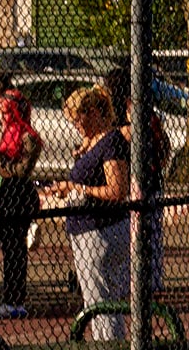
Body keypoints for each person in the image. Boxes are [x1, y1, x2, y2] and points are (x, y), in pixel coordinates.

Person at [57, 86, 134, 314]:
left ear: (92, 112)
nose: (75, 126)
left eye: (77, 120)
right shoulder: (90, 143)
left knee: (101, 304)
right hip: (84, 230)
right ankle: (107, 346)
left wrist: (80, 188)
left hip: (100, 231)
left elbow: (117, 190)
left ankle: (110, 348)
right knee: (95, 303)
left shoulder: (111, 142)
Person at [0, 82, 39, 314]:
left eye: (7, 113)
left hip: (17, 194)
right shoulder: (0, 132)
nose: (3, 118)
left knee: (14, 248)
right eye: (1, 113)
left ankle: (15, 301)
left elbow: (21, 171)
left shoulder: (29, 137)